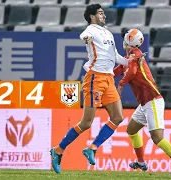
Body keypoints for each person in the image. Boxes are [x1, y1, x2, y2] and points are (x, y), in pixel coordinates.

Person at [50, 4, 132, 174]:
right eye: (101, 13)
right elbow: (84, 35)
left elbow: (115, 56)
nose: (104, 16)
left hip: (108, 78)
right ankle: (58, 150)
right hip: (95, 77)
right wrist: (86, 39)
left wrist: (131, 61)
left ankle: (92, 148)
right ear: (93, 17)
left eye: (103, 13)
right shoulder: (91, 30)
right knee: (86, 122)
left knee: (117, 117)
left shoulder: (108, 33)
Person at [113, 28, 171, 177]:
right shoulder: (130, 56)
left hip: (153, 100)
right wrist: (103, 73)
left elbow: (132, 72)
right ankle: (141, 162)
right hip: (145, 103)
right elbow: (119, 70)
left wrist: (121, 84)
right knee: (131, 130)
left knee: (157, 138)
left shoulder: (135, 55)